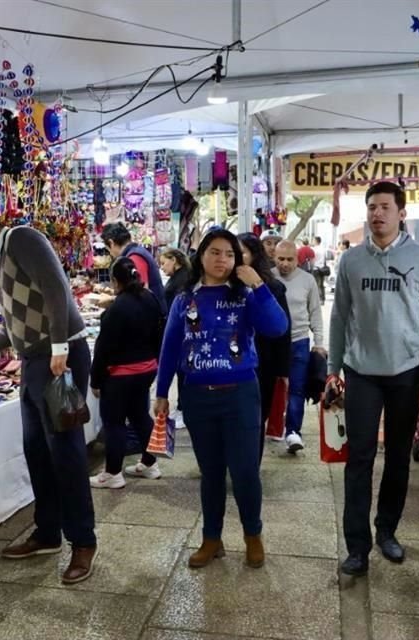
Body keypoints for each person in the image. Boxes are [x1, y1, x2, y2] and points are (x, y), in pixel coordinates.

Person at [0, 209, 97, 585]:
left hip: (57, 362)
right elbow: (14, 324)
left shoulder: (21, 239)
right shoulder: (5, 258)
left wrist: (60, 347)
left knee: (65, 450)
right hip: (35, 362)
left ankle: (82, 541)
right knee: (37, 449)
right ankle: (47, 531)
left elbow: (55, 286)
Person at [328, 181, 419, 578]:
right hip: (361, 372)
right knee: (358, 459)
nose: (377, 214)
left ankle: (387, 531)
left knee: (398, 457)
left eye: (384, 207)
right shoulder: (351, 261)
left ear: (401, 213)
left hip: (407, 374)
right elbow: (339, 317)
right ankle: (357, 546)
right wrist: (333, 369)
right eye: (372, 207)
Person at [155, 229, 288, 570]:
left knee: (245, 472)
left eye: (230, 254)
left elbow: (277, 327)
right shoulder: (186, 299)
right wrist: (162, 393)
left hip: (241, 395)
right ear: (201, 256)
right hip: (198, 398)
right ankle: (211, 538)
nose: (222, 260)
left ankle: (252, 535)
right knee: (211, 473)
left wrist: (257, 284)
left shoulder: (246, 295)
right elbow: (170, 347)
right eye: (215, 252)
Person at [89, 257, 165, 489]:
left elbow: (103, 348)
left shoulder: (116, 309)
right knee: (140, 416)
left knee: (114, 423)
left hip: (120, 375)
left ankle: (113, 473)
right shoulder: (150, 298)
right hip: (147, 369)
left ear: (115, 281)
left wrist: (96, 379)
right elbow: (159, 334)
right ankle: (150, 464)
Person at [237, 233, 291, 461]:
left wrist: (283, 372)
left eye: (240, 253)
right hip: (231, 366)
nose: (234, 259)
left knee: (256, 420)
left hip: (263, 366)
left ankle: (250, 468)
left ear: (254, 255)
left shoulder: (272, 288)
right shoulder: (222, 286)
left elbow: (283, 332)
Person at [273, 240, 325, 454]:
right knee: (268, 389)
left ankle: (293, 431)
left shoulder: (307, 280)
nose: (285, 264)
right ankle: (266, 428)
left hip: (299, 341)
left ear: (298, 259)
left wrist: (319, 343)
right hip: (273, 343)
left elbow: (315, 312)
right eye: (281, 259)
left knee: (297, 388)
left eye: (290, 259)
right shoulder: (267, 278)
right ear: (275, 258)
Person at [101, 222, 167, 313]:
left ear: (111, 243)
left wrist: (113, 301)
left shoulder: (135, 257)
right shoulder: (136, 252)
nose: (110, 254)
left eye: (108, 250)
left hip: (151, 319)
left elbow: (141, 294)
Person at [311, 236, 329, 303]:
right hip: (322, 269)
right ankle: (323, 299)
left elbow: (312, 259)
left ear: (316, 241)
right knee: (321, 284)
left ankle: (318, 300)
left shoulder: (314, 249)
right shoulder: (323, 249)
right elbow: (325, 259)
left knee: (316, 285)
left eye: (313, 240)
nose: (313, 241)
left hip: (316, 268)